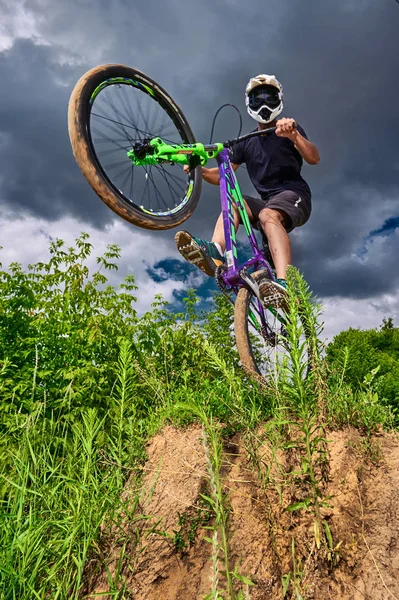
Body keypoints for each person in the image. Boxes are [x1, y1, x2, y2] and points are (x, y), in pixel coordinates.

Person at [175, 74, 320, 305]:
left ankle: (283, 284)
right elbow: (222, 175)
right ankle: (216, 250)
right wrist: (201, 171)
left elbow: (314, 158)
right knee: (233, 201)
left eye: (269, 97)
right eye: (257, 99)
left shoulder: (289, 129)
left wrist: (294, 135)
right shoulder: (247, 142)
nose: (263, 104)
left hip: (295, 196)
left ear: (278, 100)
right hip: (268, 201)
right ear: (249, 104)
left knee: (267, 215)